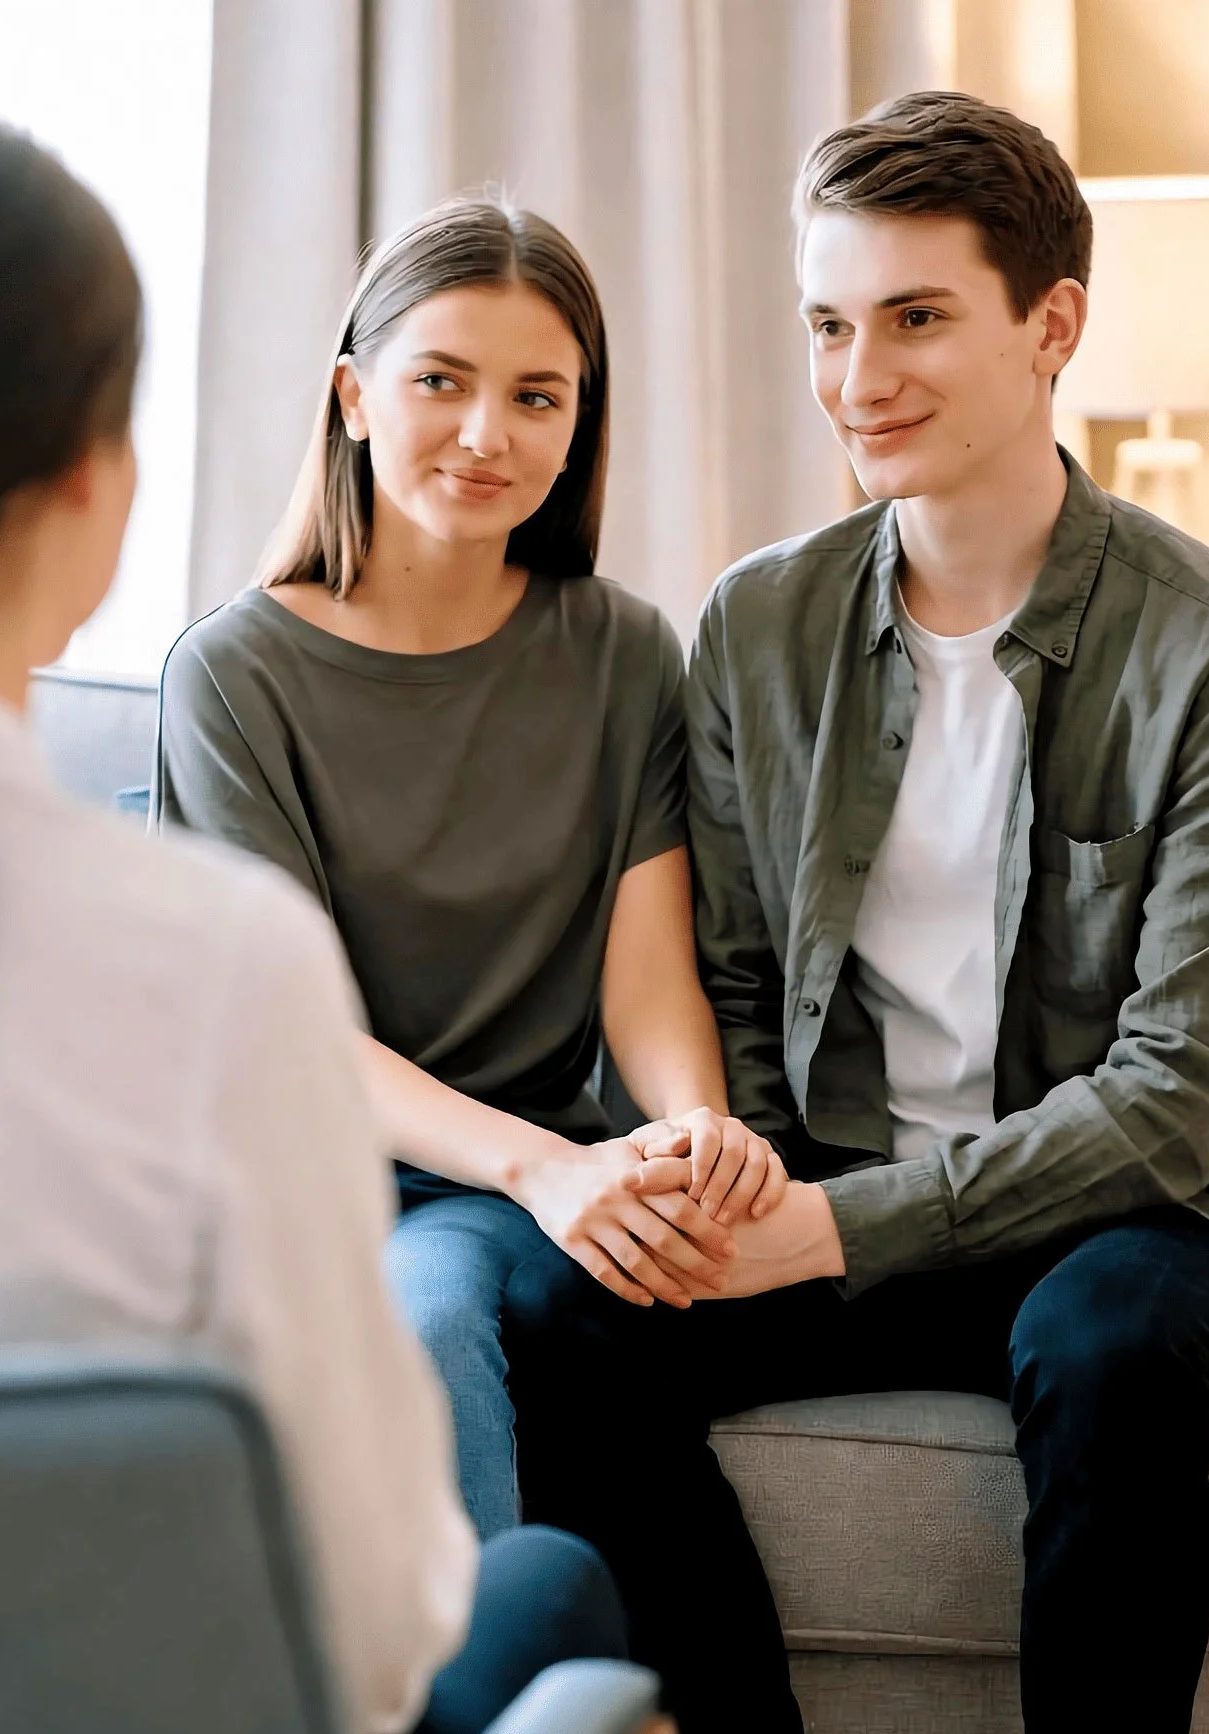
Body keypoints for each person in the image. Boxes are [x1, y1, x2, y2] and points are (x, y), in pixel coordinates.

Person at [506, 92, 1209, 1734]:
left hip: (1142, 1214)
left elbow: (1182, 1091)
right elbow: (722, 974)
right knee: (564, 1312)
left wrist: (823, 1237)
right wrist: (727, 1185)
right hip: (841, 1183)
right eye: (826, 322)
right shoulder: (759, 624)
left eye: (917, 318)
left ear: (1053, 327)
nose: (857, 375)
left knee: (1102, 1354)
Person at [0, 99, 624, 1734]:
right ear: (96, 494)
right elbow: (376, 1633)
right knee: (538, 1592)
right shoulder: (214, 969)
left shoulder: (608, 659)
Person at [154, 195, 786, 1538]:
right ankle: (464, 1731)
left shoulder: (623, 654)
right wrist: (542, 1171)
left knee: (485, 1314)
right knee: (398, 1318)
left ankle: (554, 1724)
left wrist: (690, 1128)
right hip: (315, 1178)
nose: (489, 435)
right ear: (354, 396)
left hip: (507, 1186)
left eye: (538, 396)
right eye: (441, 380)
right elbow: (299, 1041)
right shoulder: (231, 675)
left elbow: (647, 978)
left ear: (580, 424)